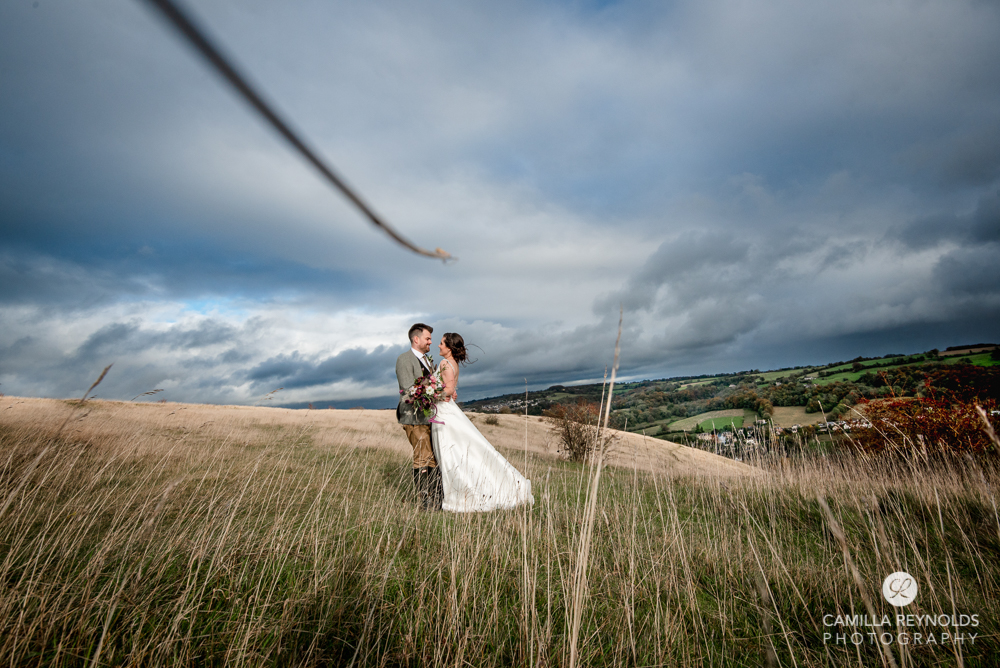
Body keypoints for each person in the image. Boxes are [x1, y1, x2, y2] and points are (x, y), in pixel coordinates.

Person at [432, 333, 534, 512]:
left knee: (451, 452)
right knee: (461, 449)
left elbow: (448, 389)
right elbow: (451, 388)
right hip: (447, 409)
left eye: (441, 343)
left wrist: (429, 394)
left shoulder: (444, 363)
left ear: (449, 347)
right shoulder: (453, 364)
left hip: (444, 412)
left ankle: (459, 495)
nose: (438, 346)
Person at [395, 323, 442, 510]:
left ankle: (434, 499)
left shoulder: (428, 361)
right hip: (413, 417)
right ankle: (424, 502)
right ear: (416, 339)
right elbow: (408, 390)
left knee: (431, 458)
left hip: (427, 417)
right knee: (422, 457)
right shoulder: (404, 359)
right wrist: (433, 391)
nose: (431, 341)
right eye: (427, 338)